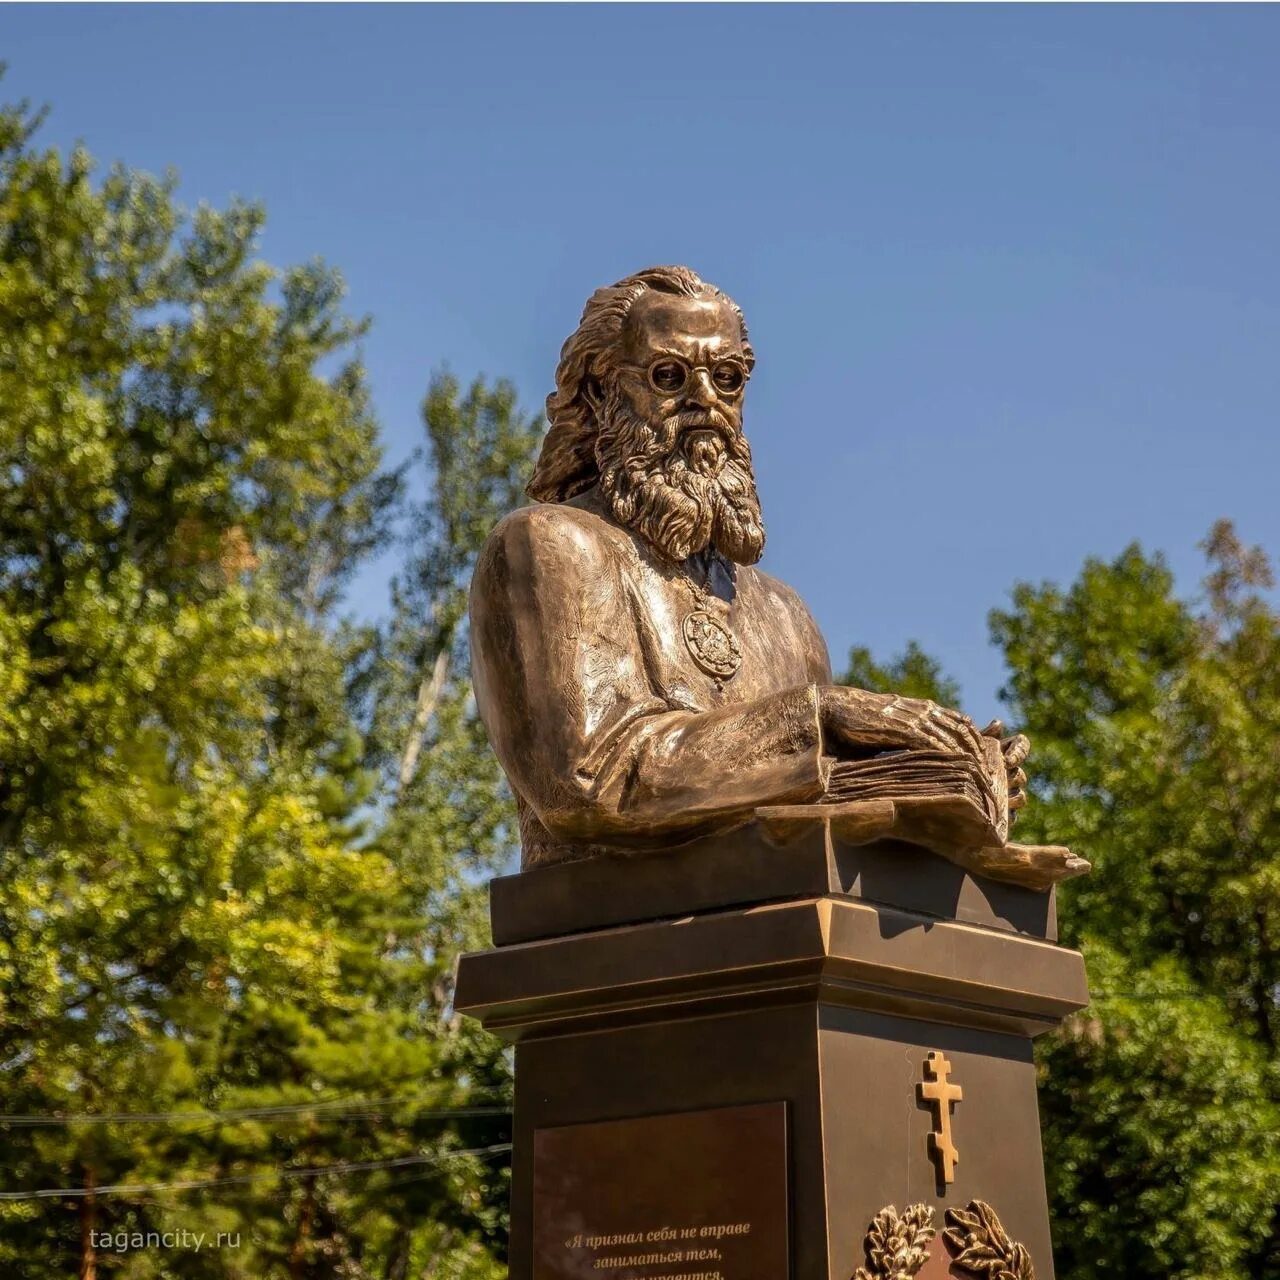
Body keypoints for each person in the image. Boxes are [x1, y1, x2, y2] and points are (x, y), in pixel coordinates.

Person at [469, 266, 1024, 868]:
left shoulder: (785, 615)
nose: (705, 399)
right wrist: (822, 715)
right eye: (669, 375)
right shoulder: (550, 544)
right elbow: (590, 778)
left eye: (728, 379)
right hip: (609, 918)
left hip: (770, 897)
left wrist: (930, 769)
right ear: (603, 395)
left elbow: (805, 794)